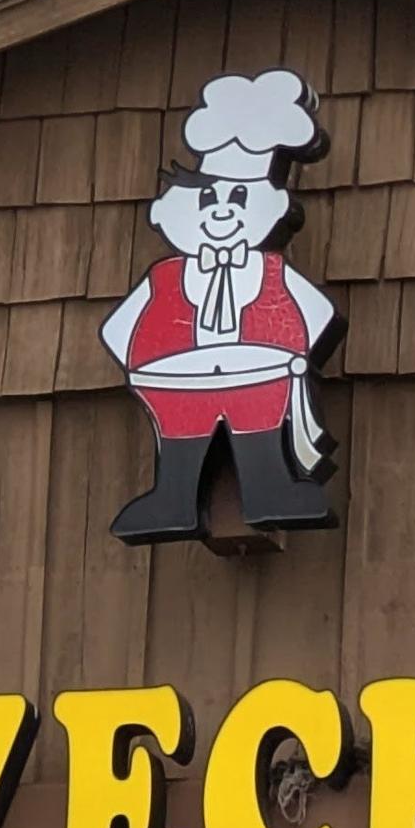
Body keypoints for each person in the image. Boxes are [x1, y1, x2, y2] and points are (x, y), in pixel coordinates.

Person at [99, 69, 342, 540]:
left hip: (261, 379)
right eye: (207, 198)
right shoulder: (165, 277)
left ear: (270, 207)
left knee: (260, 443)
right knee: (181, 445)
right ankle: (172, 498)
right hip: (173, 383)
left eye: (236, 199)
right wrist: (137, 364)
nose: (222, 211)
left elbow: (320, 316)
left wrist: (294, 358)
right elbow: (116, 330)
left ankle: (272, 489)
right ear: (176, 206)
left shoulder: (270, 272)